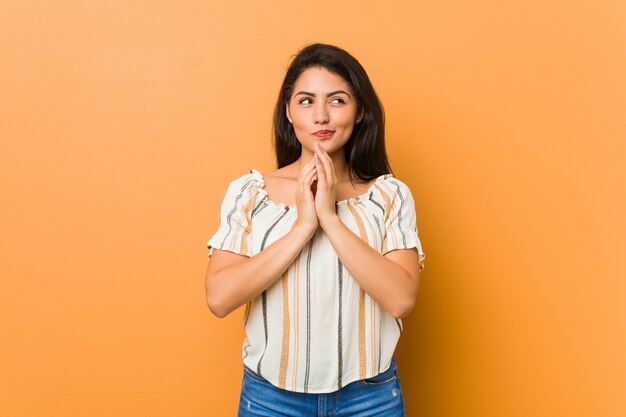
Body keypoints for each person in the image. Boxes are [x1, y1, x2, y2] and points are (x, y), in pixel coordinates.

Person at [205, 43, 426, 417]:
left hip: (369, 400)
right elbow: (220, 298)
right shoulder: (250, 193)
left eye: (337, 100)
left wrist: (330, 218)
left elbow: (400, 298)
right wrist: (303, 226)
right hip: (270, 400)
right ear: (288, 113)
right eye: (306, 101)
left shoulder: (389, 195)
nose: (321, 116)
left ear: (359, 113)